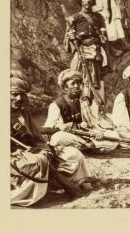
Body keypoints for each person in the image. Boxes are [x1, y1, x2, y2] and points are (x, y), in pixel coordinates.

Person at [10, 71, 90, 206]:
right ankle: (67, 187)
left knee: (73, 154)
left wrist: (44, 148)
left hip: (31, 150)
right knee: (40, 161)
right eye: (14, 94)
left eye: (21, 95)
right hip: (14, 155)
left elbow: (37, 137)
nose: (19, 98)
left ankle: (74, 182)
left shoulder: (24, 113)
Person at [44, 69, 120, 153]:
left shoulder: (88, 101)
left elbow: (96, 121)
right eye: (73, 83)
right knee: (57, 138)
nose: (76, 86)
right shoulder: (57, 104)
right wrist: (62, 126)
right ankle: (90, 146)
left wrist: (98, 133)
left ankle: (87, 146)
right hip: (71, 136)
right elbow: (49, 127)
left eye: (78, 83)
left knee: (114, 136)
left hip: (89, 133)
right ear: (65, 87)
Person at [65, 0, 110, 100]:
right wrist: (70, 37)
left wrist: (102, 37)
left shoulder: (99, 17)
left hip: (96, 53)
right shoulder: (75, 18)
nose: (88, 0)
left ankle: (97, 105)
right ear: (80, 0)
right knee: (80, 78)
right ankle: (81, 103)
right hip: (82, 52)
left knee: (97, 79)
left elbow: (104, 35)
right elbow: (68, 39)